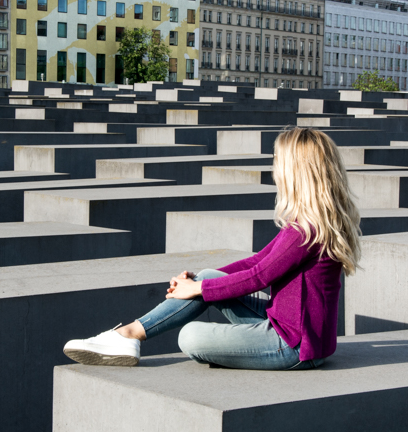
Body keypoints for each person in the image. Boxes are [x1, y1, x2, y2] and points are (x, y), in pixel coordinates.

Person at [63, 127, 362, 370]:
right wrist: (198, 282)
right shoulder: (310, 224)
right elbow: (259, 261)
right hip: (290, 325)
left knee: (191, 337)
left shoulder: (305, 231)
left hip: (295, 345)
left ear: (297, 172)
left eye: (277, 161)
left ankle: (126, 335)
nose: (274, 168)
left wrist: (198, 290)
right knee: (208, 275)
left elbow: (259, 277)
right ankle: (127, 335)